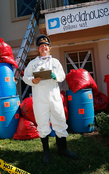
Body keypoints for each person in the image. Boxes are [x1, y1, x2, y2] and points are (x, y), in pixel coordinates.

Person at [23, 34, 77, 164]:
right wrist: (32, 80)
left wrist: (55, 76)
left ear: (49, 48)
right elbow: (25, 77)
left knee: (59, 121)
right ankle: (46, 151)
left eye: (46, 46)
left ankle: (63, 149)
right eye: (41, 46)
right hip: (40, 99)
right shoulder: (33, 63)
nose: (44, 47)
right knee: (42, 124)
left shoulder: (55, 62)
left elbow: (62, 76)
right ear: (38, 49)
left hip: (54, 98)